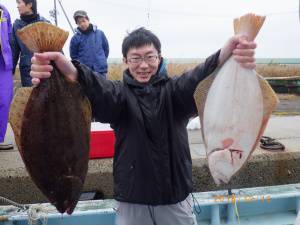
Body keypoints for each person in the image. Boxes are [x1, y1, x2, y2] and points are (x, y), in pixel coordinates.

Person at [30, 27, 256, 225]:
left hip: (175, 200)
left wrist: (227, 54)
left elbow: (197, 77)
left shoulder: (175, 93)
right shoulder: (118, 95)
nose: (144, 65)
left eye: (150, 56)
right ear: (125, 61)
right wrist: (69, 70)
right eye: (136, 58)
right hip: (132, 203)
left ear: (160, 58)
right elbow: (99, 90)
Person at [10, 0, 50, 87]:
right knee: (31, 98)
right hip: (27, 72)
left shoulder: (45, 23)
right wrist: (9, 73)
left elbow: (56, 48)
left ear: (29, 5)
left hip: (44, 69)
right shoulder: (17, 25)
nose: (17, 6)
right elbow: (13, 51)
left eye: (19, 2)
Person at [70, 10, 109, 78]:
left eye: (83, 21)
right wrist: (81, 66)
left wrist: (101, 60)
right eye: (79, 22)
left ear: (88, 20)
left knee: (103, 88)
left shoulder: (100, 33)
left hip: (101, 71)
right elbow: (74, 56)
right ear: (77, 24)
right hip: (85, 73)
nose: (82, 24)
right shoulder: (75, 38)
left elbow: (106, 49)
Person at [0, 4, 14, 150]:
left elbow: (9, 35)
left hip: (3, 61)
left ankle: (0, 138)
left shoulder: (4, 11)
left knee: (4, 99)